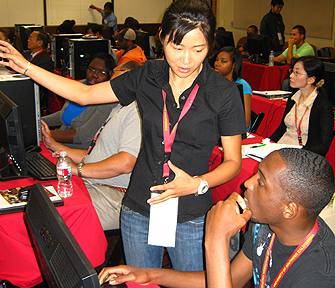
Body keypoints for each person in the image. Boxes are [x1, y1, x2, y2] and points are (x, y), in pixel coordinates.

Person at [0, 0, 246, 272]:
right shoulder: (149, 75)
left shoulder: (224, 94)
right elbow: (84, 94)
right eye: (177, 48)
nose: (186, 60)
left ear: (209, 45)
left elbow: (234, 161)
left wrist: (197, 184)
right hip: (138, 207)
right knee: (140, 280)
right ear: (162, 39)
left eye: (198, 49)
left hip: (189, 214)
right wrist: (27, 68)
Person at [98, 148, 335, 288]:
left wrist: (216, 239)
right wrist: (150, 274)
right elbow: (226, 276)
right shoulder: (266, 226)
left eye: (261, 182)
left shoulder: (320, 276)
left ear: (289, 210)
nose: (247, 183)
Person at [41, 99, 141, 231]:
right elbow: (95, 156)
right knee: (42, 196)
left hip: (114, 197)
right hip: (96, 186)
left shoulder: (137, 111)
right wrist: (54, 145)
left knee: (49, 214)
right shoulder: (121, 107)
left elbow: (126, 163)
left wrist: (78, 170)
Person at [42, 53, 116, 149]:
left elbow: (83, 135)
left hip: (78, 150)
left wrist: (45, 133)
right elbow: (63, 115)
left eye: (102, 73)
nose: (94, 75)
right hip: (57, 142)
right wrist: (39, 122)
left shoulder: (107, 101)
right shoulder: (79, 86)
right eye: (91, 69)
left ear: (110, 75)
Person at [270, 56, 333, 156]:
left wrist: (299, 152)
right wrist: (268, 143)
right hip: (281, 148)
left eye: (297, 73)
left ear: (311, 79)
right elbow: (282, 127)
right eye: (292, 71)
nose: (291, 76)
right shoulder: (293, 98)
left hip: (303, 155)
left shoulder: (323, 106)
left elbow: (323, 145)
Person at [214, 47, 252, 130]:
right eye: (217, 60)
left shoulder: (243, 86)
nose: (217, 64)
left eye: (223, 61)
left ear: (233, 65)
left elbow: (245, 122)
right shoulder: (214, 82)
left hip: (234, 131)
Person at [23, 30, 54, 113]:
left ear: (40, 43)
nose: (28, 40)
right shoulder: (26, 55)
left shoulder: (45, 61)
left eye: (31, 39)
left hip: (34, 96)